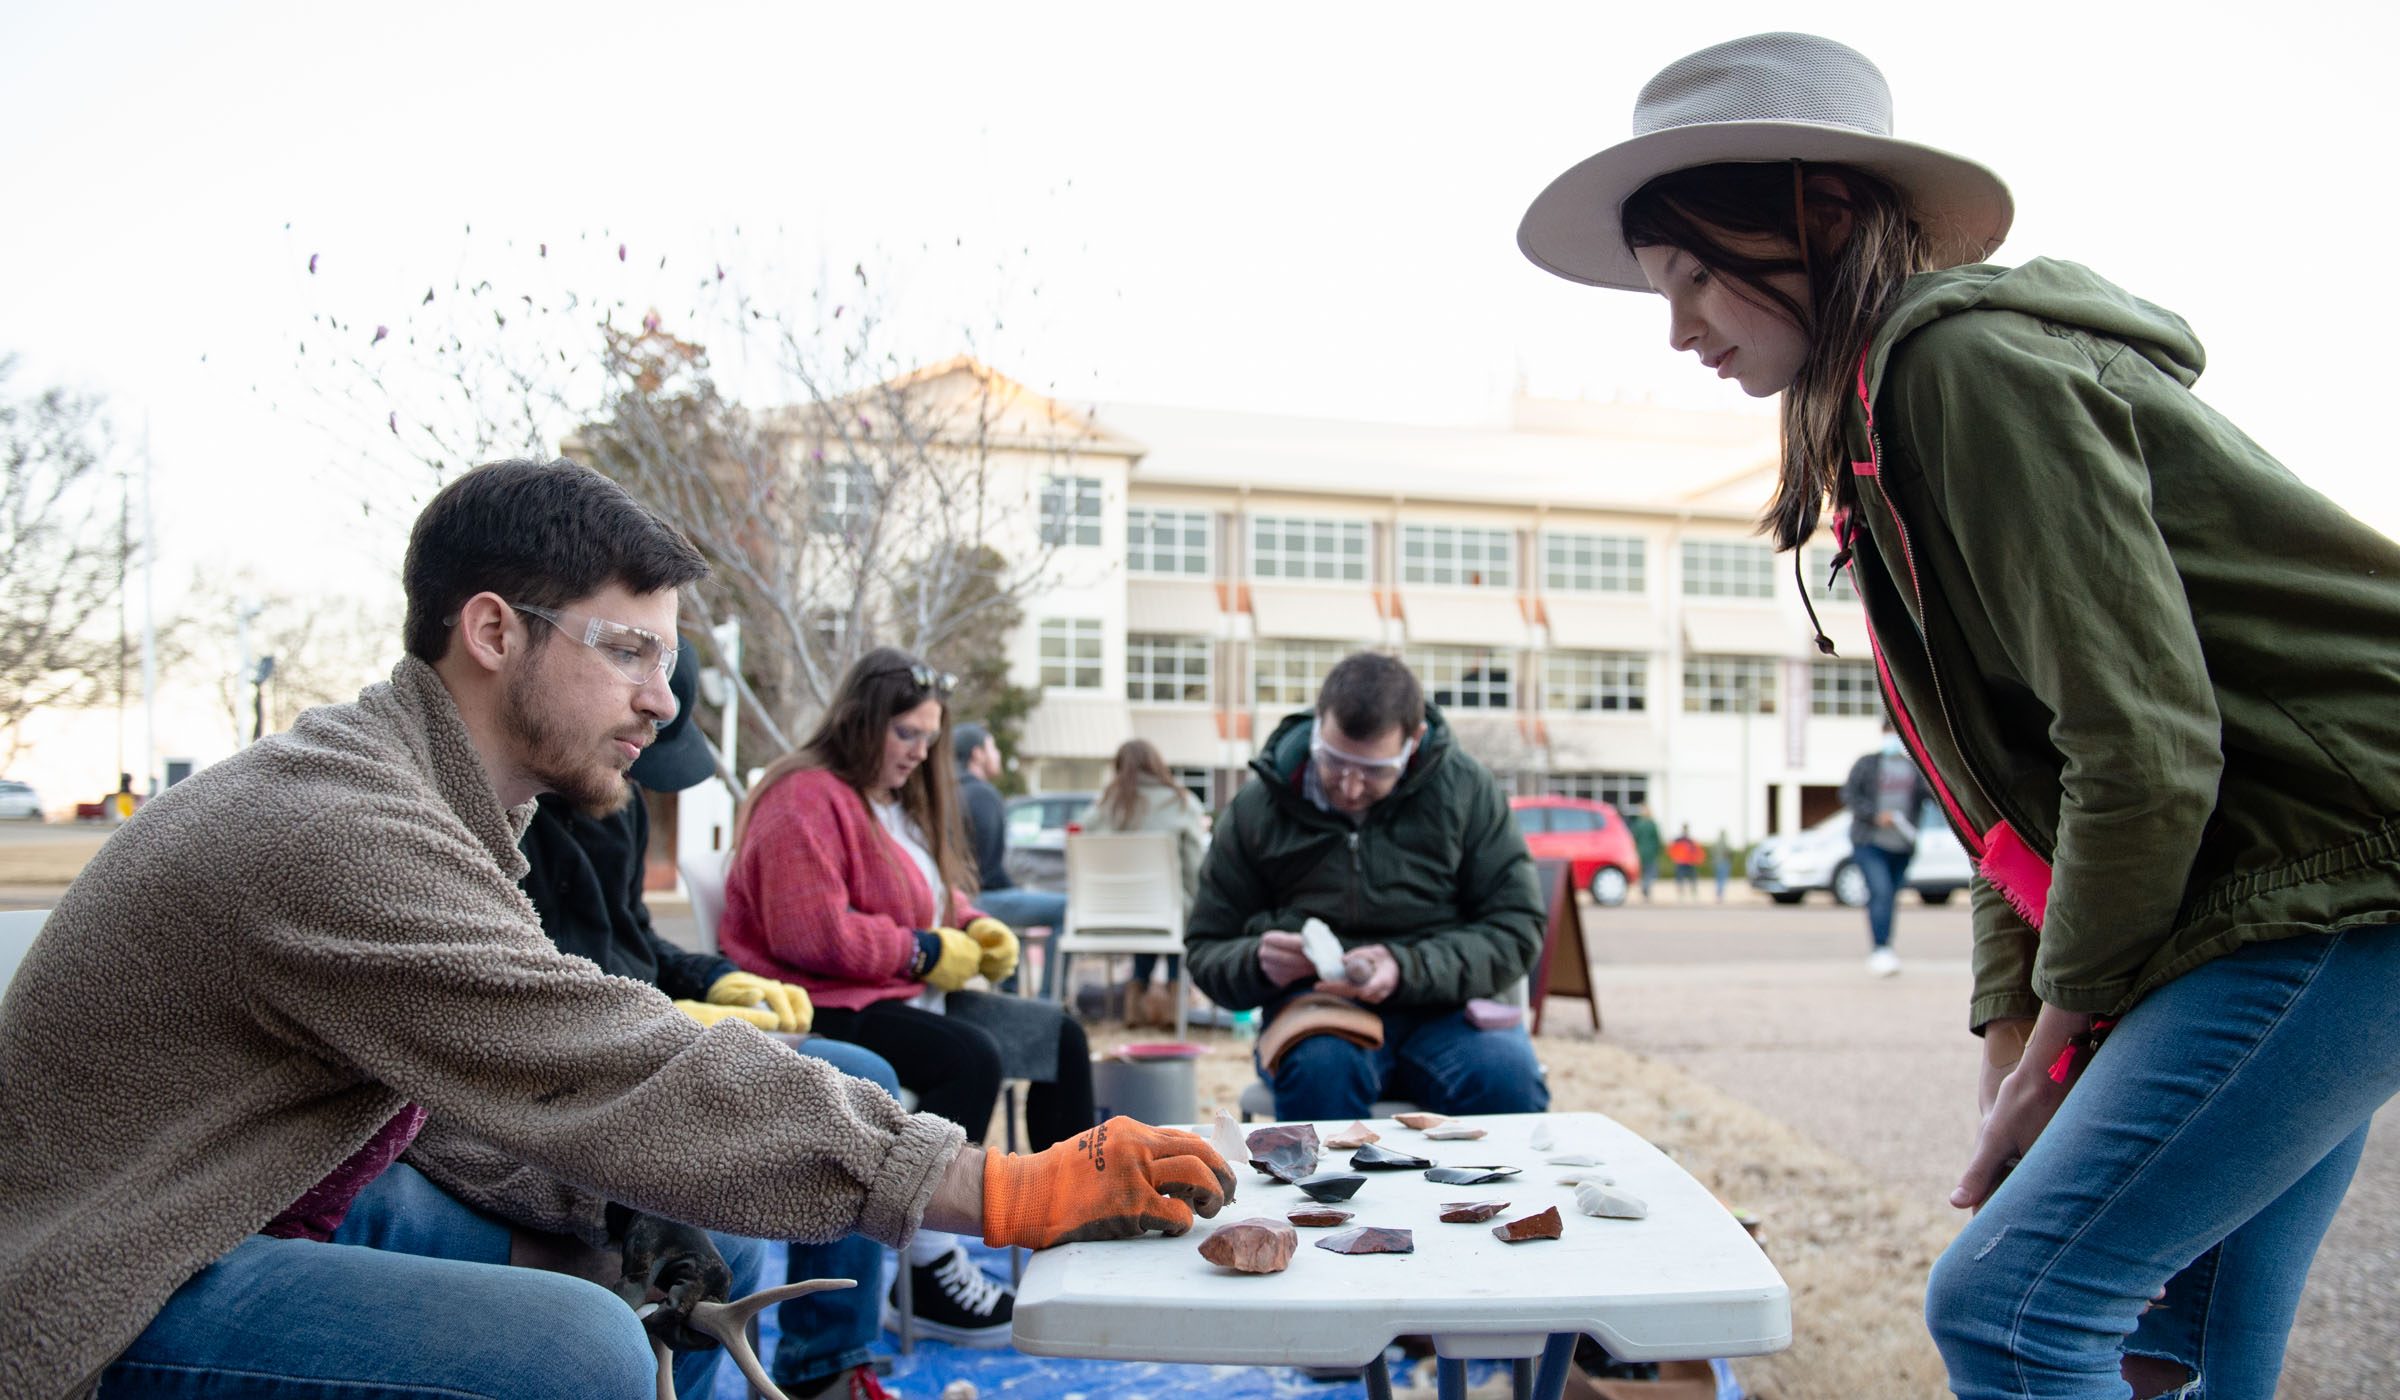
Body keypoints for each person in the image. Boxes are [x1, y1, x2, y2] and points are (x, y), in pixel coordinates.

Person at [1518, 31, 2400, 1399]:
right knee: (2177, 1347)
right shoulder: (1878, 429)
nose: (1681, 328)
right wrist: (2012, 1066)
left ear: (1814, 215)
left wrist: (2053, 1064)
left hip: (2339, 869)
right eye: (1660, 290)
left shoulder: (1961, 371)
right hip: (2274, 884)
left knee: (2012, 1312)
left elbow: (2144, 750)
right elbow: (2011, 806)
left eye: (1694, 276)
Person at [0, 459, 1232, 1400]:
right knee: (581, 1343)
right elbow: (586, 1052)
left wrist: (609, 1204)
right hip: (112, 1271)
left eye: (670, 657)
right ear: (493, 631)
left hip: (254, 1191)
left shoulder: (424, 793)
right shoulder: (338, 824)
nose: (662, 696)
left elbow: (447, 1100)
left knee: (671, 1235)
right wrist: (983, 1182)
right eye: (630, 650)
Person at [350, 642, 899, 1400]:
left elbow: (635, 933)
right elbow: (528, 1005)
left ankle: (829, 1364)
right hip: (591, 1041)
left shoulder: (623, 805)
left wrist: (719, 978)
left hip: (643, 1018)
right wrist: (670, 1019)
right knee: (747, 1198)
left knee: (862, 1073)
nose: (640, 754)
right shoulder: (499, 815)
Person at [719, 647, 1099, 1348]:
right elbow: (811, 933)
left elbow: (924, 892)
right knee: (970, 1058)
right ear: (863, 721)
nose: (922, 752)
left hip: (898, 992)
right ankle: (924, 1262)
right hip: (822, 1000)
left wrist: (972, 922)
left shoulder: (890, 803)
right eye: (907, 735)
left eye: (929, 737)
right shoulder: (804, 795)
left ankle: (1071, 1228)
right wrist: (924, 950)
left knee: (1060, 1036)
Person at [1184, 651, 1549, 1122]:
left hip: (1447, 1007)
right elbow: (1207, 945)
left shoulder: (1466, 792)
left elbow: (1516, 928)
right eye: (1334, 761)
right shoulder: (1260, 805)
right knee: (1321, 1072)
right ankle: (1323, 1200)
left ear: (1414, 741)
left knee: (1506, 1079)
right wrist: (1257, 963)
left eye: (1375, 770)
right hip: (1317, 1009)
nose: (1350, 787)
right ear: (1318, 723)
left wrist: (1405, 966)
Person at [1072, 739, 1210, 1028]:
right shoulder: (1181, 803)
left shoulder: (1103, 807)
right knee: (1175, 911)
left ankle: (1135, 1003)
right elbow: (1196, 869)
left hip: (1106, 913)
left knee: (1147, 911)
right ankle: (1175, 1000)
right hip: (1165, 914)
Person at [952, 721, 1068, 997]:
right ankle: (1047, 999)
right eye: (993, 748)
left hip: (951, 896)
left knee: (1015, 897)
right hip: (978, 900)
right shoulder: (983, 794)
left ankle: (1009, 989)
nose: (998, 755)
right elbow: (991, 872)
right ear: (977, 754)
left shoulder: (945, 791)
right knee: (1068, 907)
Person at [1844, 722, 1934, 979]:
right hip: (1870, 842)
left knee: (1889, 897)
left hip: (1902, 845)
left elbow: (1929, 797)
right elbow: (1848, 795)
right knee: (1880, 891)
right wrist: (1874, 816)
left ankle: (1885, 947)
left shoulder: (1913, 768)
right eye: (1889, 734)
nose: (1893, 739)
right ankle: (1880, 950)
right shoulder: (1867, 764)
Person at [1626, 802, 1663, 902]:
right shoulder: (1652, 823)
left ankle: (1644, 888)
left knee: (1643, 872)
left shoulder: (1638, 823)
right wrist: (1658, 850)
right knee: (1651, 872)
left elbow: (1634, 838)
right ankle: (1646, 888)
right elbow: (1657, 839)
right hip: (1650, 852)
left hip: (1640, 852)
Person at [1665, 826, 1704, 900]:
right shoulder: (1679, 840)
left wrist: (1697, 859)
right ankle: (1682, 893)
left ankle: (1692, 893)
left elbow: (1697, 850)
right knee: (1681, 878)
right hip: (1681, 862)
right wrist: (1675, 857)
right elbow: (1671, 849)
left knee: (1691, 878)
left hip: (1689, 862)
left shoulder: (1690, 841)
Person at [1710, 830, 1732, 903]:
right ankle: (1720, 895)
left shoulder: (1716, 844)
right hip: (1723, 863)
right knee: (1722, 880)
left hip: (1716, 863)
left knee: (1718, 880)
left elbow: (1712, 852)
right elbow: (1727, 853)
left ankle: (1718, 895)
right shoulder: (1724, 844)